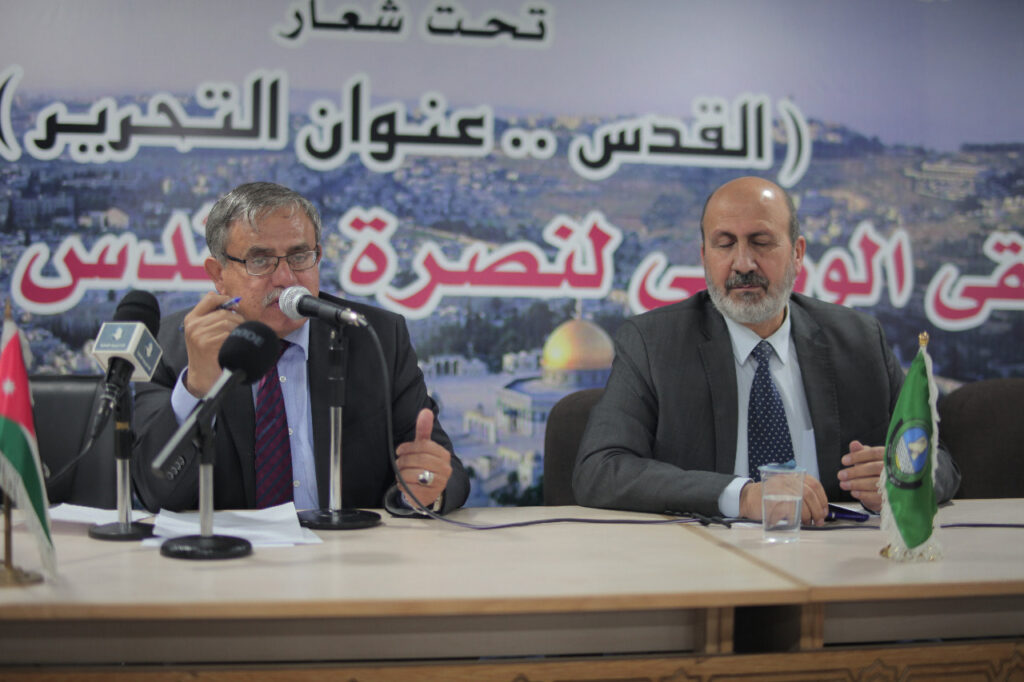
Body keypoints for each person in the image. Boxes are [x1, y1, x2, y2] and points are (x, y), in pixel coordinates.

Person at [573, 176, 959, 524]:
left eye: (761, 242)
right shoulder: (653, 343)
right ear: (704, 257)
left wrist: (904, 477)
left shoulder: (858, 340)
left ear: (797, 253)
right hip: (703, 555)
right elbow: (601, 469)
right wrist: (741, 496)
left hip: (838, 555)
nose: (743, 263)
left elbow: (940, 461)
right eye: (725, 244)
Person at [132, 182, 470, 515]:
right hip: (232, 549)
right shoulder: (174, 345)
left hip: (350, 548)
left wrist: (425, 487)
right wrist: (196, 389)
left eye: (299, 257)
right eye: (260, 260)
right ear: (218, 274)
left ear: (317, 256)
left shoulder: (374, 337)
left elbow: (444, 471)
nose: (286, 278)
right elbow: (155, 493)